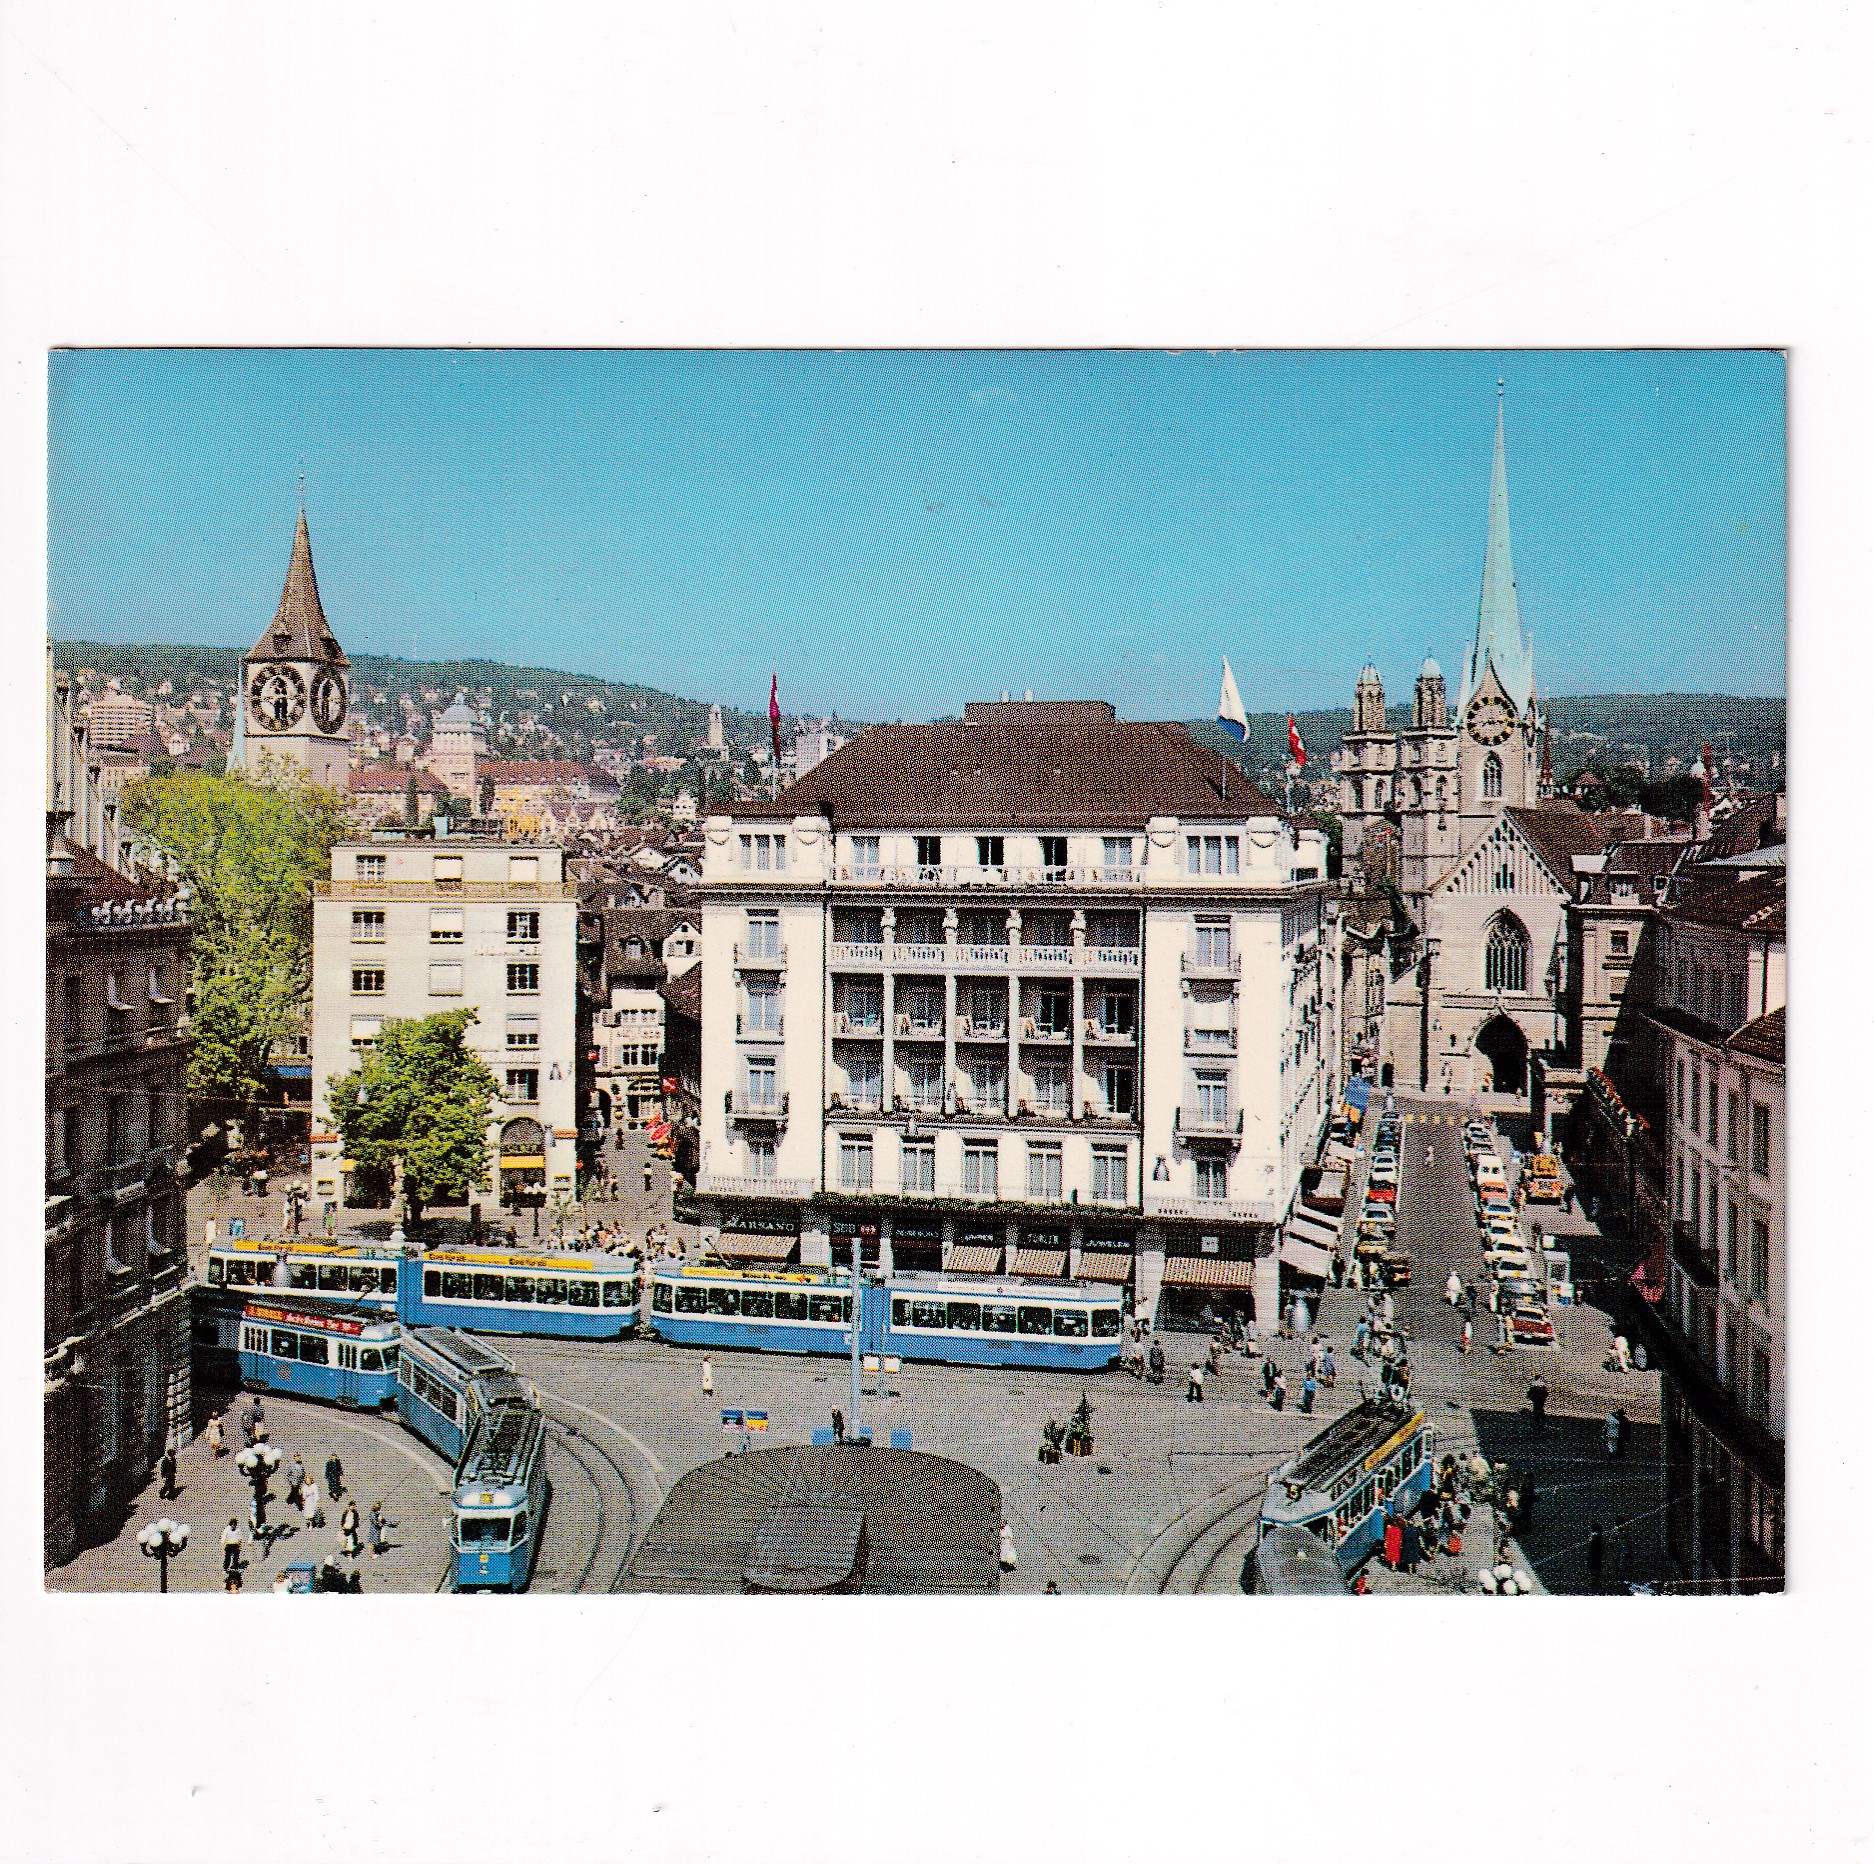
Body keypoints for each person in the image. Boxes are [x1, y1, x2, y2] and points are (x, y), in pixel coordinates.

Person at [1586, 1522, 1605, 1592]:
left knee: (1594, 1568)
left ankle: (1594, 1582)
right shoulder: (1597, 1535)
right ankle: (1595, 1582)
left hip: (1595, 1554)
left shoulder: (1597, 1536)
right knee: (1595, 1568)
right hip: (1595, 1554)